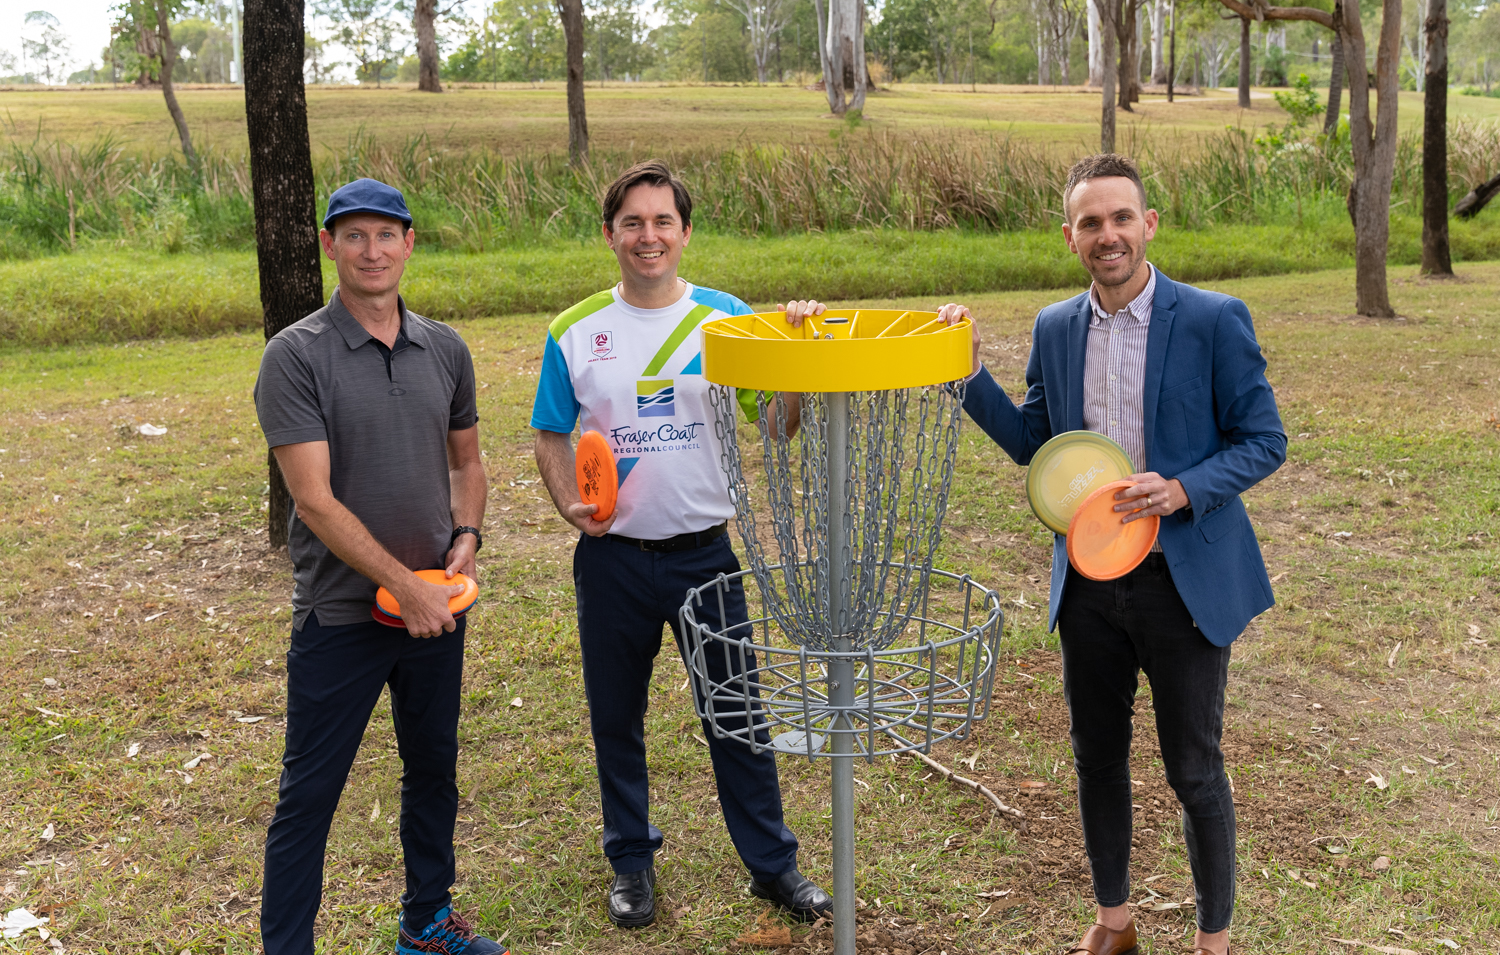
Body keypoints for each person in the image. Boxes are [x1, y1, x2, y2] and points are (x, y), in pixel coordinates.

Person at [936, 154, 1285, 955]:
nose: (1108, 235)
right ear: (1070, 236)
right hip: (1090, 582)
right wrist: (965, 371)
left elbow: (1265, 440)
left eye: (1121, 217)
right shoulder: (1058, 327)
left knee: (1193, 769)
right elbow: (1034, 442)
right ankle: (1115, 921)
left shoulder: (1212, 317)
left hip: (1183, 580)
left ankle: (1214, 940)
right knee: (1097, 758)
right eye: (1090, 222)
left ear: (1148, 224)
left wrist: (1185, 487)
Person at [529, 160, 833, 929]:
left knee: (737, 714)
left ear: (686, 232)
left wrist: (792, 357)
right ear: (610, 234)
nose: (648, 235)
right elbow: (549, 432)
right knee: (616, 714)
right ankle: (631, 863)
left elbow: (777, 425)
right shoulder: (573, 331)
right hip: (614, 559)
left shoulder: (728, 319)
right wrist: (570, 502)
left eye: (663, 221)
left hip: (704, 554)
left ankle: (774, 866)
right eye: (633, 222)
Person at [253, 178, 505, 955]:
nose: (371, 250)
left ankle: (427, 925)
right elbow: (315, 500)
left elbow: (467, 461)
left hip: (435, 605)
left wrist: (466, 534)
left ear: (409, 243)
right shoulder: (295, 356)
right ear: (329, 245)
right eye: (353, 236)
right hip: (342, 617)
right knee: (310, 798)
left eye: (385, 235)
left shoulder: (446, 348)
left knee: (433, 773)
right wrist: (401, 585)